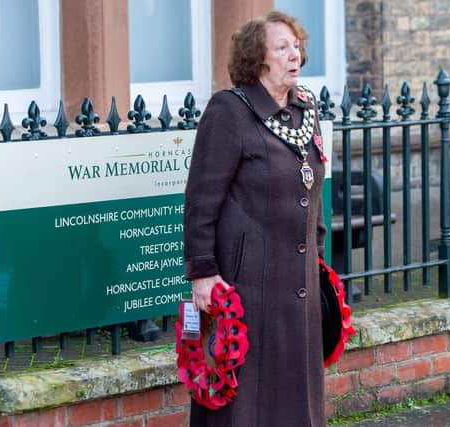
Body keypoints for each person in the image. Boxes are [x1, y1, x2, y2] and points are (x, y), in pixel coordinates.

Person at [183, 10, 327, 427]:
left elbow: (312, 187)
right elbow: (200, 199)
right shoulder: (229, 111)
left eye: (296, 46)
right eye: (281, 47)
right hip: (245, 282)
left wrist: (316, 258)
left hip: (298, 278)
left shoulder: (306, 108)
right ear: (257, 58)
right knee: (244, 394)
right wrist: (203, 272)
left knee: (295, 388)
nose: (293, 54)